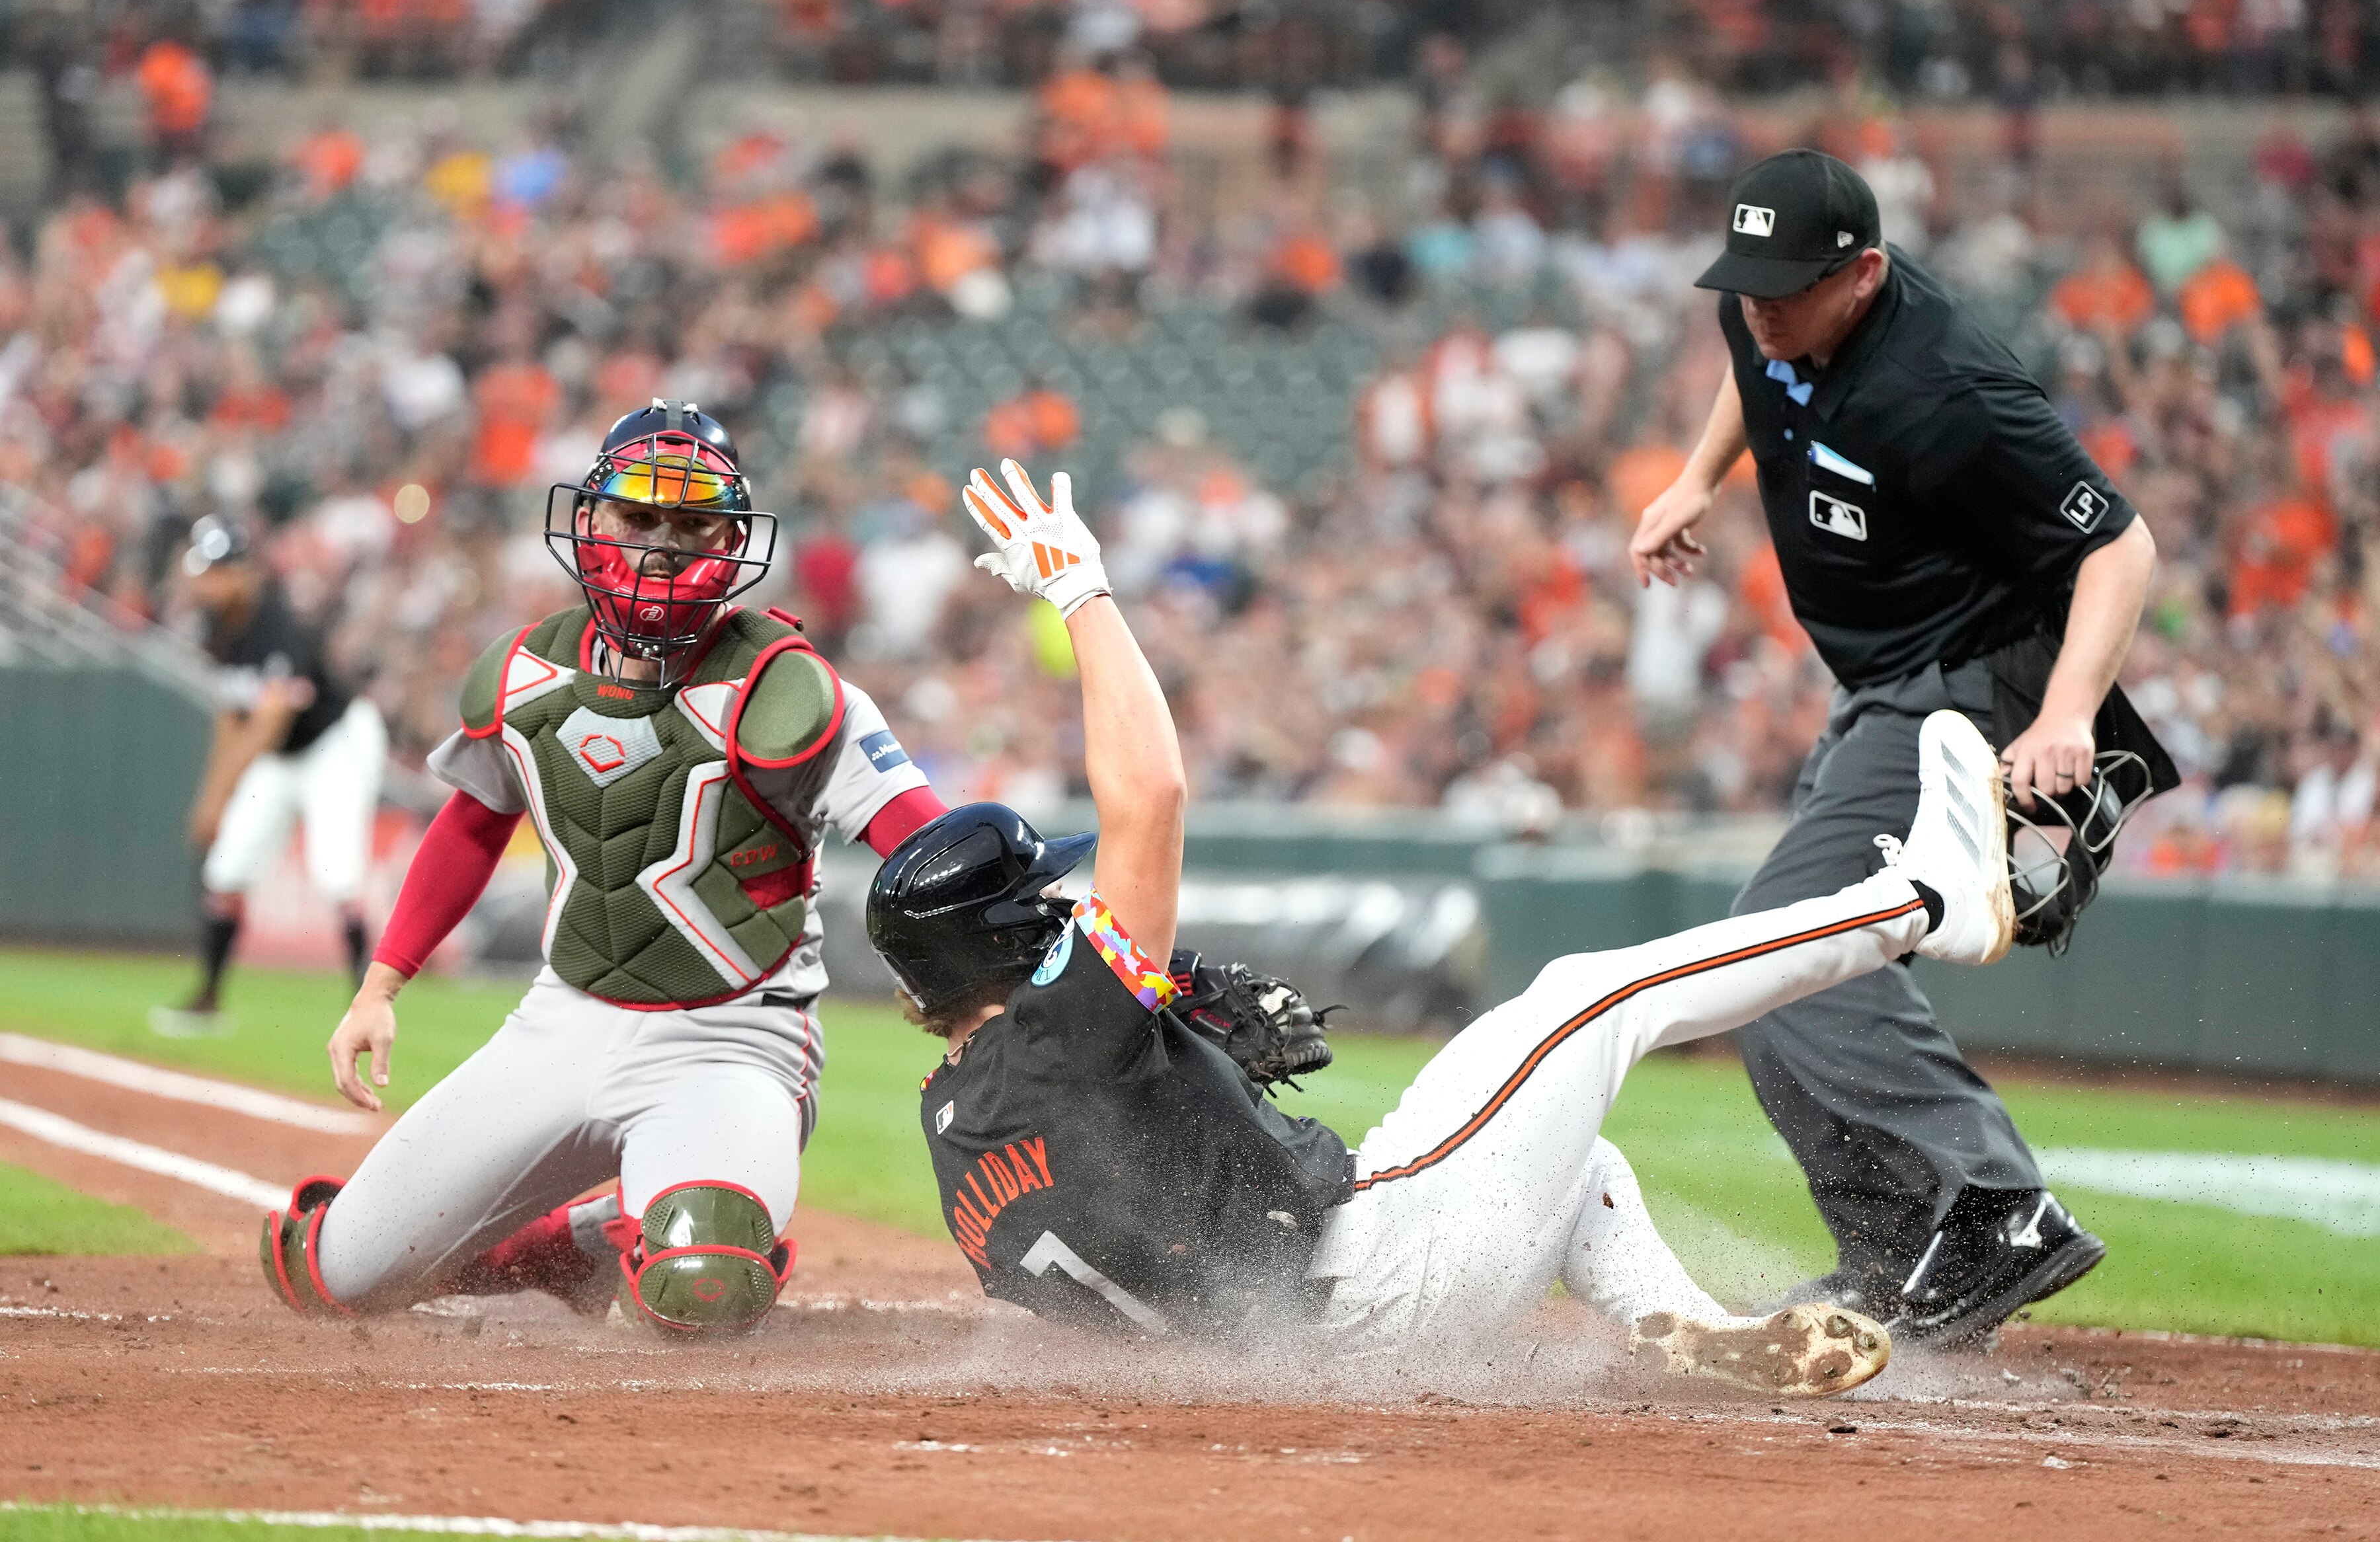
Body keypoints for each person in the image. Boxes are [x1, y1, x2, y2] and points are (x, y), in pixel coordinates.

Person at [865, 457, 2022, 1397]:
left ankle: (1694, 1332)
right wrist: (1082, 593)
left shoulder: (955, 1134)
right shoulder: (1065, 1027)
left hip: (1288, 1360)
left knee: (1571, 1155)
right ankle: (1919, 901)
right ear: (1005, 940)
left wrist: (1190, 1101)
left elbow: (1121, 1211)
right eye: (1042, 900)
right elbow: (1152, 798)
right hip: (1382, 1277)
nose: (1066, 906)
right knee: (1585, 998)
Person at [1628, 149, 2165, 1348]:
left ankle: (1997, 1207)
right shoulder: (1763, 305)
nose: (1758, 308)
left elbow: (2119, 546)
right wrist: (1697, 479)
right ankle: (1896, 1254)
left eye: (1786, 287)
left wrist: (2068, 715)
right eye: (1746, 281)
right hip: (1884, 683)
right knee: (1772, 979)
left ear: (1863, 275)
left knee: (1785, 939)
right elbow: (1755, 373)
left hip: (1972, 681)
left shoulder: (1947, 385)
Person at [259, 401, 949, 1332]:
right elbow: (471, 825)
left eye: (691, 523)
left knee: (702, 1280)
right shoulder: (525, 675)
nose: (661, 548)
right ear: (592, 521)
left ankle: (596, 1236)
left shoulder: (788, 687)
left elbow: (927, 842)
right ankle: (564, 1246)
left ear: (732, 540)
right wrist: (381, 984)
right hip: (563, 1019)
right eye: (640, 516)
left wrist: (969, 974)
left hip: (730, 1038)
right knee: (331, 1277)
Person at [155, 514, 389, 1037]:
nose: (205, 582)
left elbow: (269, 720)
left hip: (334, 743)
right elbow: (231, 714)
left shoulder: (277, 619)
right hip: (283, 755)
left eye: (215, 571)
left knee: (338, 875)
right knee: (225, 871)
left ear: (242, 571)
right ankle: (208, 999)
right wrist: (211, 793)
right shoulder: (219, 625)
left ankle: (366, 1008)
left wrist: (219, 794)